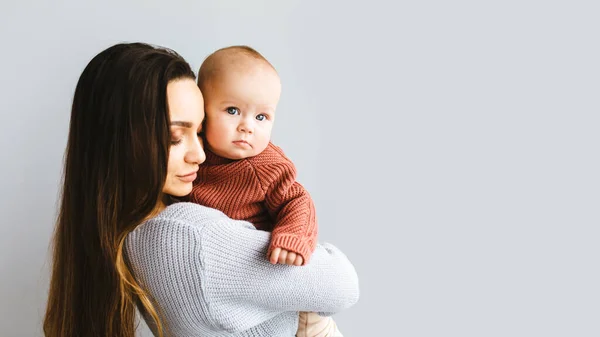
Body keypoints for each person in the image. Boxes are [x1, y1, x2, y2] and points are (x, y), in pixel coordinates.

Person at [43, 42, 359, 337]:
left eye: (199, 132)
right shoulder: (189, 237)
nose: (201, 155)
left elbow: (294, 200)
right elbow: (343, 283)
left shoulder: (121, 236)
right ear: (121, 143)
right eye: (174, 137)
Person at [189, 45, 342, 336]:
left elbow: (297, 200)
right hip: (238, 285)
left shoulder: (264, 165)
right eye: (232, 110)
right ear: (202, 111)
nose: (247, 126)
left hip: (289, 294)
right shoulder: (190, 156)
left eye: (261, 117)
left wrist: (293, 237)